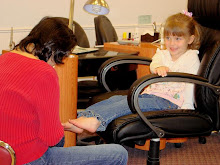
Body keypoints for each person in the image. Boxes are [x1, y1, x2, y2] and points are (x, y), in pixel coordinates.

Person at [0, 17, 128, 165]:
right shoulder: (44, 72)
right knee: (118, 154)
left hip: (4, 154)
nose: (55, 65)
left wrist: (59, 127)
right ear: (55, 50)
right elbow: (51, 138)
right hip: (28, 159)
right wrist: (60, 129)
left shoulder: (4, 58)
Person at [64, 12, 201, 133]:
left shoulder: (191, 58)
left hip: (170, 102)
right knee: (116, 99)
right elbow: (154, 64)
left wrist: (186, 109)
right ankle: (86, 117)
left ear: (190, 39)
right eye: (168, 38)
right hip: (150, 95)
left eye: (178, 39)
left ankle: (96, 121)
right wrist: (158, 67)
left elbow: (192, 84)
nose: (172, 43)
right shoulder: (163, 54)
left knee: (129, 104)